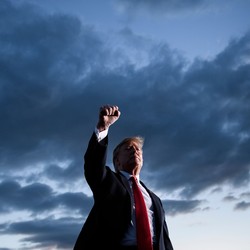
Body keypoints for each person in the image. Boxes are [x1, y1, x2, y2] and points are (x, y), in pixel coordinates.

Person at [74, 105, 174, 250]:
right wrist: (102, 128)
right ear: (117, 161)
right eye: (128, 149)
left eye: (138, 149)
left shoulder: (155, 199)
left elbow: (164, 239)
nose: (135, 150)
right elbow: (93, 166)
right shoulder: (109, 182)